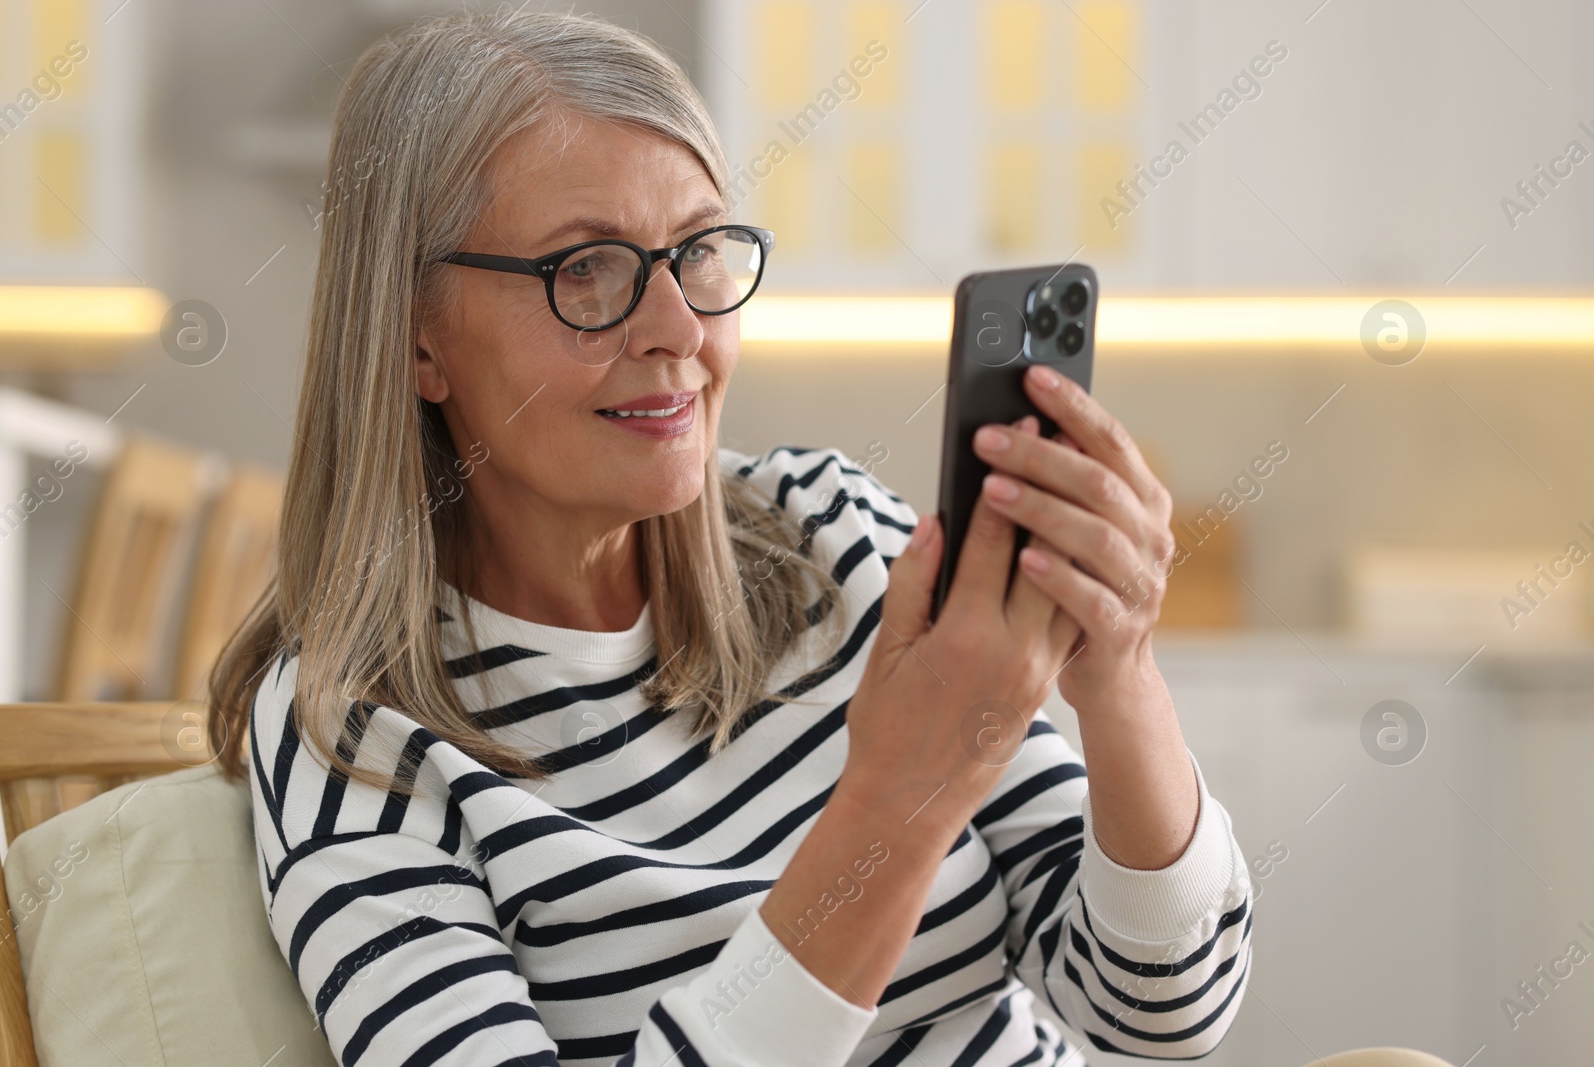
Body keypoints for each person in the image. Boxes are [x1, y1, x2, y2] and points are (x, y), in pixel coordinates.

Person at [209, 8, 1251, 1066]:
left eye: (698, 251)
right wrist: (900, 799)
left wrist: (1118, 674)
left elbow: (1159, 1013)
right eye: (585, 270)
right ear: (417, 338)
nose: (677, 330)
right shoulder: (353, 740)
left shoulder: (836, 543)